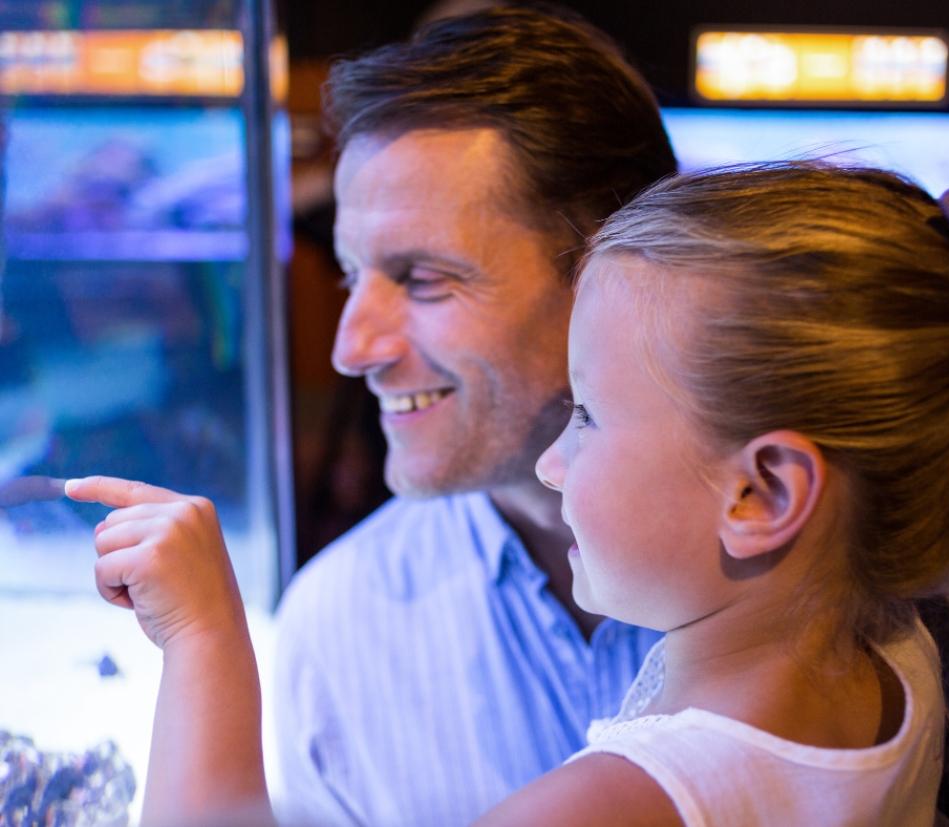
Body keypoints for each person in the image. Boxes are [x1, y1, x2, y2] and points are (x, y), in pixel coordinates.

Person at [67, 162, 949, 825]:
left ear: (761, 494)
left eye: (585, 414)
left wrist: (204, 638)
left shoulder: (612, 805)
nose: (553, 463)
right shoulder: (895, 647)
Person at [278, 6, 676, 824]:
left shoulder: (849, 569)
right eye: (353, 276)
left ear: (615, 270)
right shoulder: (335, 632)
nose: (352, 349)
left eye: (423, 278)